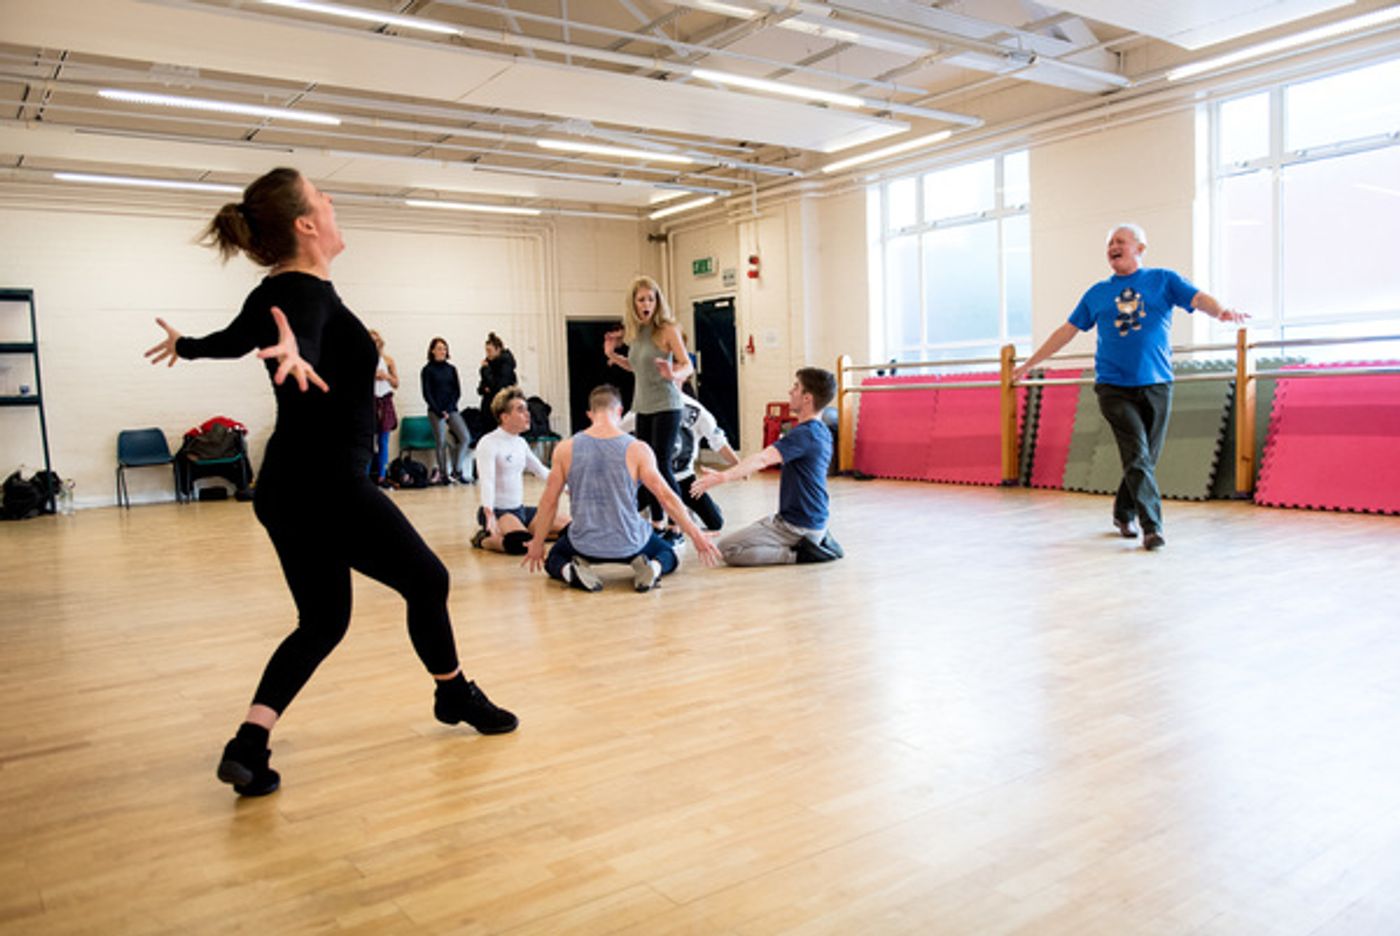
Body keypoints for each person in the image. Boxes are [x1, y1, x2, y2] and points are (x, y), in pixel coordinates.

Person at [144, 167, 516, 797]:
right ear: (305, 224)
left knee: (322, 620)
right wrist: (298, 356)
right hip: (327, 484)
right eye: (321, 197)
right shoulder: (305, 299)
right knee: (428, 579)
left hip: (283, 487)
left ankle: (248, 743)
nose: (333, 200)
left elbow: (237, 340)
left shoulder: (276, 294)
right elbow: (301, 338)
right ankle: (453, 695)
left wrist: (192, 346)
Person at [1012, 223, 1248, 550]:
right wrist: (1029, 364)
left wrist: (1220, 311)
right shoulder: (1097, 293)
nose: (1113, 246)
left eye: (1120, 241)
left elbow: (1197, 297)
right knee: (1137, 453)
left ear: (1140, 248)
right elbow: (1066, 332)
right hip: (1113, 386)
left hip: (1157, 384)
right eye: (1109, 242)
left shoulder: (1163, 280)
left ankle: (1123, 511)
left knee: (1145, 458)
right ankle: (1152, 527)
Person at [523, 384, 721, 592]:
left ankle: (570, 571)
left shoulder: (565, 449)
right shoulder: (638, 449)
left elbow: (549, 501)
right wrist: (697, 535)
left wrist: (537, 543)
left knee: (554, 557)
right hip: (630, 542)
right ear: (619, 411)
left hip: (584, 543)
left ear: (590, 414)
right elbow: (666, 497)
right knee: (669, 554)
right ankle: (652, 568)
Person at [692, 368, 844, 566]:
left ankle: (801, 554)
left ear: (807, 398)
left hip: (798, 527)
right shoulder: (820, 431)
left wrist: (722, 477)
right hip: (809, 521)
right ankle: (809, 541)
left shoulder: (805, 435)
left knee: (728, 549)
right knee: (749, 534)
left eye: (796, 387)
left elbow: (763, 459)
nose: (790, 391)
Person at [603, 276, 694, 542]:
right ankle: (657, 523)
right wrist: (613, 357)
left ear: (658, 301)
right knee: (647, 468)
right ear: (633, 303)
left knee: (662, 466)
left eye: (651, 299)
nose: (646, 304)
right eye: (641, 299)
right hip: (643, 406)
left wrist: (674, 374)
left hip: (667, 404)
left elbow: (687, 364)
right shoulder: (634, 333)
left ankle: (677, 527)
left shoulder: (667, 329)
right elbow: (638, 367)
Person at [620, 391, 739, 532]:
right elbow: (617, 432)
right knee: (622, 514)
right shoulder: (645, 408)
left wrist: (738, 465)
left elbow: (718, 441)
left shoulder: (696, 410)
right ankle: (657, 515)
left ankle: (685, 509)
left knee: (715, 523)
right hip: (652, 480)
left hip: (684, 478)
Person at [472, 386, 568, 554]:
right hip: (498, 511)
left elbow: (540, 471)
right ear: (505, 417)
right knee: (519, 545)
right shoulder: (488, 443)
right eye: (521, 410)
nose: (528, 414)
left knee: (571, 529)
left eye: (526, 409)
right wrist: (489, 514)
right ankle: (483, 539)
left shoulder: (520, 443)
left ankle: (527, 531)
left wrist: (567, 488)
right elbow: (487, 481)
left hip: (520, 510)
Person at [421, 337, 473, 484]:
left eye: (444, 348)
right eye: (439, 348)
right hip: (435, 411)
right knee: (441, 441)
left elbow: (457, 391)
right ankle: (443, 474)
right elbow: (427, 393)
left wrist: (449, 409)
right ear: (432, 351)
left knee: (465, 437)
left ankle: (457, 470)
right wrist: (439, 411)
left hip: (451, 409)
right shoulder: (427, 370)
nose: (442, 351)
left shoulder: (451, 369)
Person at [368, 329, 398, 487]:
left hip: (384, 400)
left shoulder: (388, 360)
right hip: (370, 401)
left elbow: (396, 383)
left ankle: (382, 475)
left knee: (383, 440)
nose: (375, 344)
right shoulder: (362, 360)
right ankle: (366, 476)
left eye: (377, 341)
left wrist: (386, 376)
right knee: (368, 440)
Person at [477, 332, 518, 414]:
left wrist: (486, 370)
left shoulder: (506, 364)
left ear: (498, 349)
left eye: (489, 351)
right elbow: (481, 388)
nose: (487, 354)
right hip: (488, 406)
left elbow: (499, 387)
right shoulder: (489, 364)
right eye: (486, 351)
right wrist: (485, 388)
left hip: (503, 406)